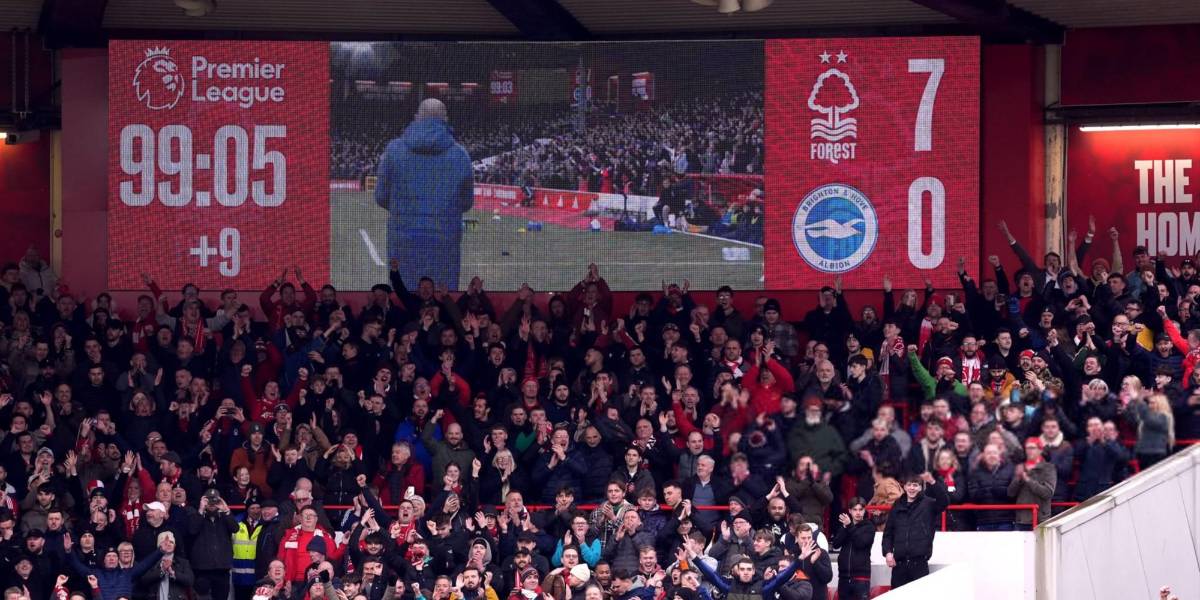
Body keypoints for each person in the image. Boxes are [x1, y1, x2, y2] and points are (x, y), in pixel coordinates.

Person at [375, 98, 474, 289]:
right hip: (445, 239)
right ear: (445, 119)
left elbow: (381, 196)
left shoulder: (393, 150)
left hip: (403, 238)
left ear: (416, 118)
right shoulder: (460, 155)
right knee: (442, 301)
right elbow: (466, 202)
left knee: (403, 297)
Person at [881, 472, 948, 588]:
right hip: (899, 565)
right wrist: (887, 552)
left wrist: (933, 482)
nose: (912, 488)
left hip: (919, 564)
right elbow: (888, 533)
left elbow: (944, 502)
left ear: (921, 487)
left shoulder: (928, 504)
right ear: (904, 487)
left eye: (915, 485)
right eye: (909, 485)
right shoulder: (897, 505)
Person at [830, 498, 874, 600]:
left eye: (860, 509)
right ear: (849, 511)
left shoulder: (869, 527)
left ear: (864, 510)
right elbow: (836, 544)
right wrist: (846, 528)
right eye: (855, 509)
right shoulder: (845, 526)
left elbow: (861, 543)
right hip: (844, 577)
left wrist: (849, 526)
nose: (858, 512)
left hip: (861, 577)